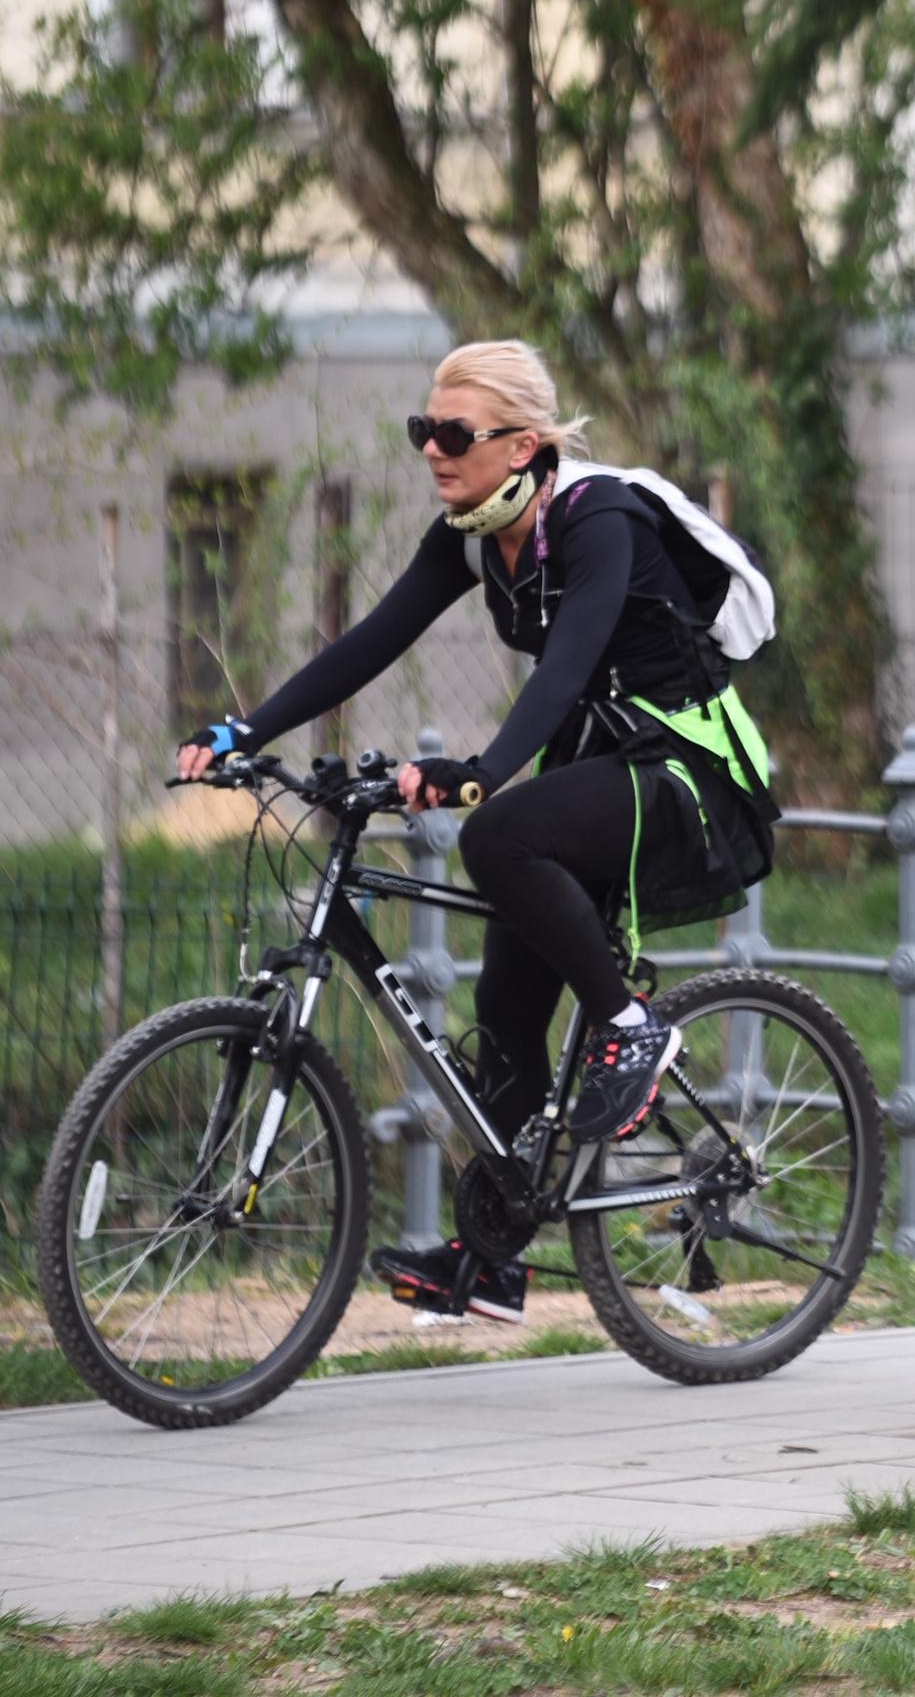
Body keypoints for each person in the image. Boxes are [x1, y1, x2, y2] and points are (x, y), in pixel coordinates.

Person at [173, 339, 780, 1326]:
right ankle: (493, 1257)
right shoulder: (469, 533)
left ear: (523, 444)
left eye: (452, 434)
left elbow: (566, 659)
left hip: (685, 771)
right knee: (503, 1004)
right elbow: (367, 641)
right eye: (424, 431)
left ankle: (633, 1029)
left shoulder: (597, 518)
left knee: (495, 836)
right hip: (594, 771)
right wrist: (245, 728)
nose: (432, 451)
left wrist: (482, 774)